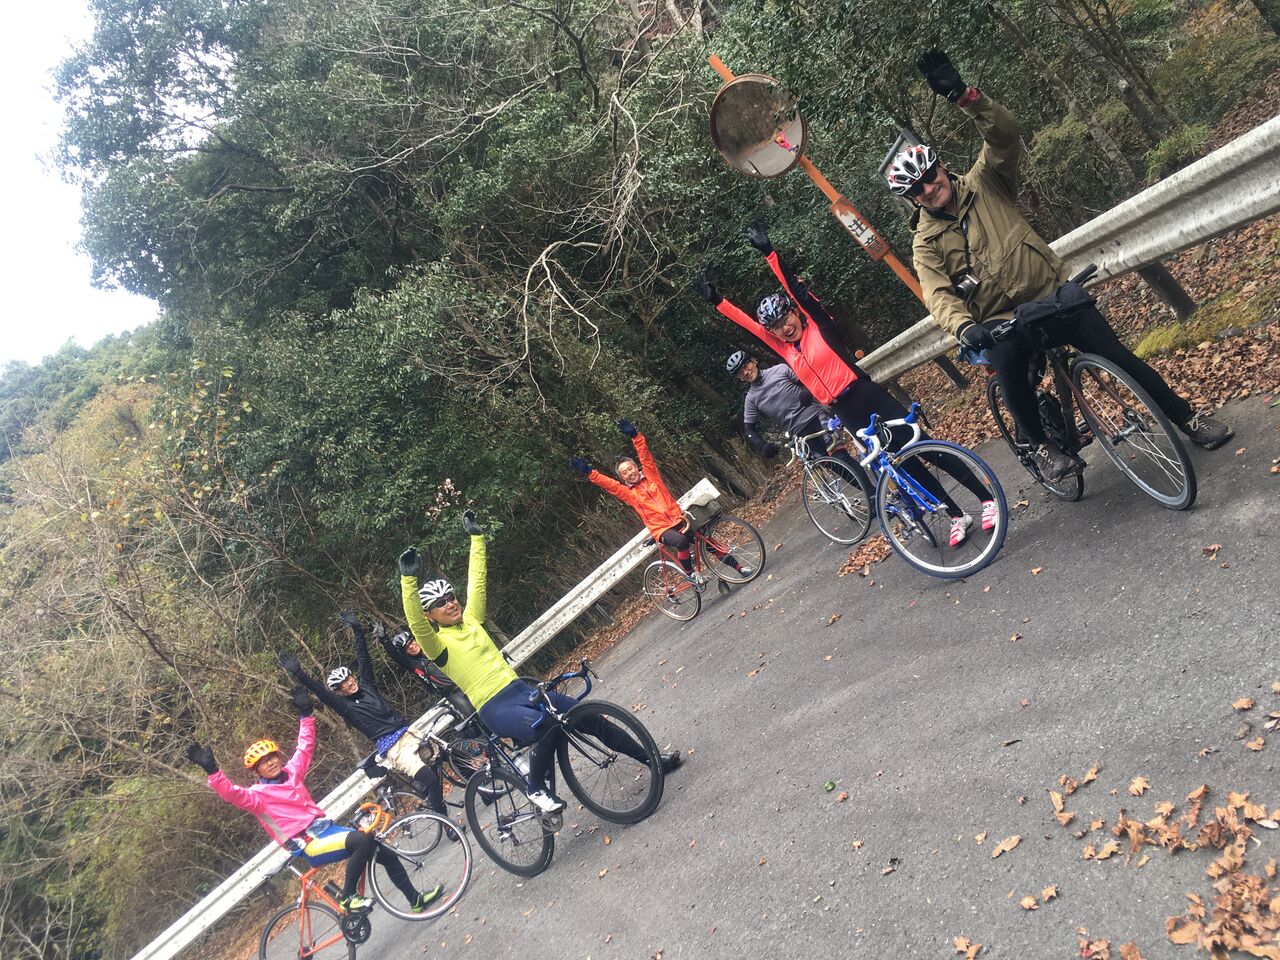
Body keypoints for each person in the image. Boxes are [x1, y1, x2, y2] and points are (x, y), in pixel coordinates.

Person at [891, 49, 1232, 481]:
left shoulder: (985, 182)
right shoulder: (925, 243)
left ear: (941, 167)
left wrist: (965, 96)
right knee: (1010, 370)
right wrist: (964, 327)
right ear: (912, 199)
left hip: (1053, 294)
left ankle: (1187, 418)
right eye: (917, 189)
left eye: (929, 176)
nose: (928, 188)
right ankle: (1040, 446)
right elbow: (937, 294)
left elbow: (1005, 136)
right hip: (1002, 321)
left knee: (1118, 357)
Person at [695, 227, 998, 546]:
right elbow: (751, 328)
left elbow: (796, 290)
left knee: (925, 447)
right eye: (776, 328)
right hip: (845, 413)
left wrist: (770, 254)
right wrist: (718, 302)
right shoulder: (785, 351)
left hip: (866, 395)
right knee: (904, 465)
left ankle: (986, 499)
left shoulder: (818, 325)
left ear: (795, 312)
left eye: (785, 319)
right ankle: (956, 515)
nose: (784, 328)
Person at [398, 510, 681, 817]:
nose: (450, 603)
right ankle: (535, 787)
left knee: (591, 718)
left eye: (451, 597)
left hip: (521, 689)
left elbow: (477, 583)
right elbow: (415, 623)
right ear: (429, 614)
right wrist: (407, 581)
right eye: (439, 603)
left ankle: (654, 761)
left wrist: (477, 539)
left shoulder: (472, 621)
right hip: (494, 707)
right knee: (545, 725)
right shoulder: (437, 646)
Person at [185, 687, 441, 913]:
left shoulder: (292, 773)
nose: (270, 763)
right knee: (362, 840)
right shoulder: (256, 796)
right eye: (263, 763)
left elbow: (304, 746)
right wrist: (212, 771)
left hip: (328, 830)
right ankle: (348, 897)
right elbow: (231, 793)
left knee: (384, 852)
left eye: (272, 757)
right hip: (308, 844)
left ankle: (416, 900)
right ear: (257, 771)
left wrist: (306, 714)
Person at [281, 613, 447, 821]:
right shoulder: (346, 708)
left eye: (350, 678)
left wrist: (358, 631)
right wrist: (300, 674)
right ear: (340, 691)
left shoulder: (367, 686)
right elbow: (322, 693)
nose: (350, 683)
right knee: (431, 780)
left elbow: (363, 659)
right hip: (395, 749)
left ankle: (470, 787)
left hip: (408, 732)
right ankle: (445, 821)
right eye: (344, 684)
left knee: (443, 754)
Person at [570, 420, 752, 582]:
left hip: (679, 519)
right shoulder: (628, 493)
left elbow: (646, 457)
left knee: (708, 542)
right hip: (662, 529)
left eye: (630, 468)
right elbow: (610, 484)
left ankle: (740, 568)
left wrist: (635, 436)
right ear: (622, 478)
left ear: (636, 467)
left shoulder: (652, 478)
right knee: (681, 541)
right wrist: (590, 473)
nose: (630, 473)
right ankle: (690, 574)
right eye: (624, 473)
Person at [382, 628, 476, 720]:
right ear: (405, 653)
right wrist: (384, 639)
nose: (411, 646)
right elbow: (395, 655)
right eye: (407, 647)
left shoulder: (431, 648)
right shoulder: (413, 664)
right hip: (453, 694)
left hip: (466, 681)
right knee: (474, 717)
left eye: (411, 642)